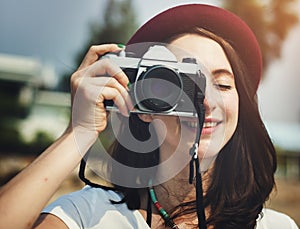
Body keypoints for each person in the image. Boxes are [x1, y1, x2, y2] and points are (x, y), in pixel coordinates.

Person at [0, 4, 298, 229]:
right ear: (143, 106)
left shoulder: (276, 225)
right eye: (182, 84)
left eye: (222, 84)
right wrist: (78, 133)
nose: (205, 101)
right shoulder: (87, 216)